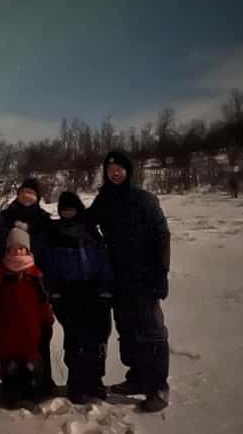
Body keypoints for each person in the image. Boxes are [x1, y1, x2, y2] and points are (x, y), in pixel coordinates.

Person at [89, 151, 171, 413]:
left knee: (152, 332)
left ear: (128, 170)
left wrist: (161, 275)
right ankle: (136, 377)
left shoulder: (144, 199)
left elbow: (162, 237)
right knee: (128, 331)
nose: (115, 172)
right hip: (118, 278)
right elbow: (86, 221)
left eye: (119, 168)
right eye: (110, 168)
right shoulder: (105, 199)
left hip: (144, 278)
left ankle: (158, 386)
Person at [36, 191, 113, 404]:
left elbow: (104, 262)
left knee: (97, 339)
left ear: (79, 208)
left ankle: (95, 381)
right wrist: (55, 291)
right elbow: (49, 267)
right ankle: (76, 383)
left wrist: (106, 289)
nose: (68, 212)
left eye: (71, 208)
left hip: (94, 291)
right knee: (74, 339)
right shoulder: (54, 234)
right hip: (68, 294)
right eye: (64, 208)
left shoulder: (92, 232)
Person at [0, 178, 55, 395]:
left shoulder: (44, 220)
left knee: (40, 333)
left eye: (32, 193)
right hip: (6, 284)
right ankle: (11, 382)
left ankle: (41, 381)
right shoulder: (4, 218)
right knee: (9, 334)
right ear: (18, 194)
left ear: (38, 197)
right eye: (24, 192)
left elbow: (53, 250)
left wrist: (48, 280)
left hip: (37, 282)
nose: (27, 196)